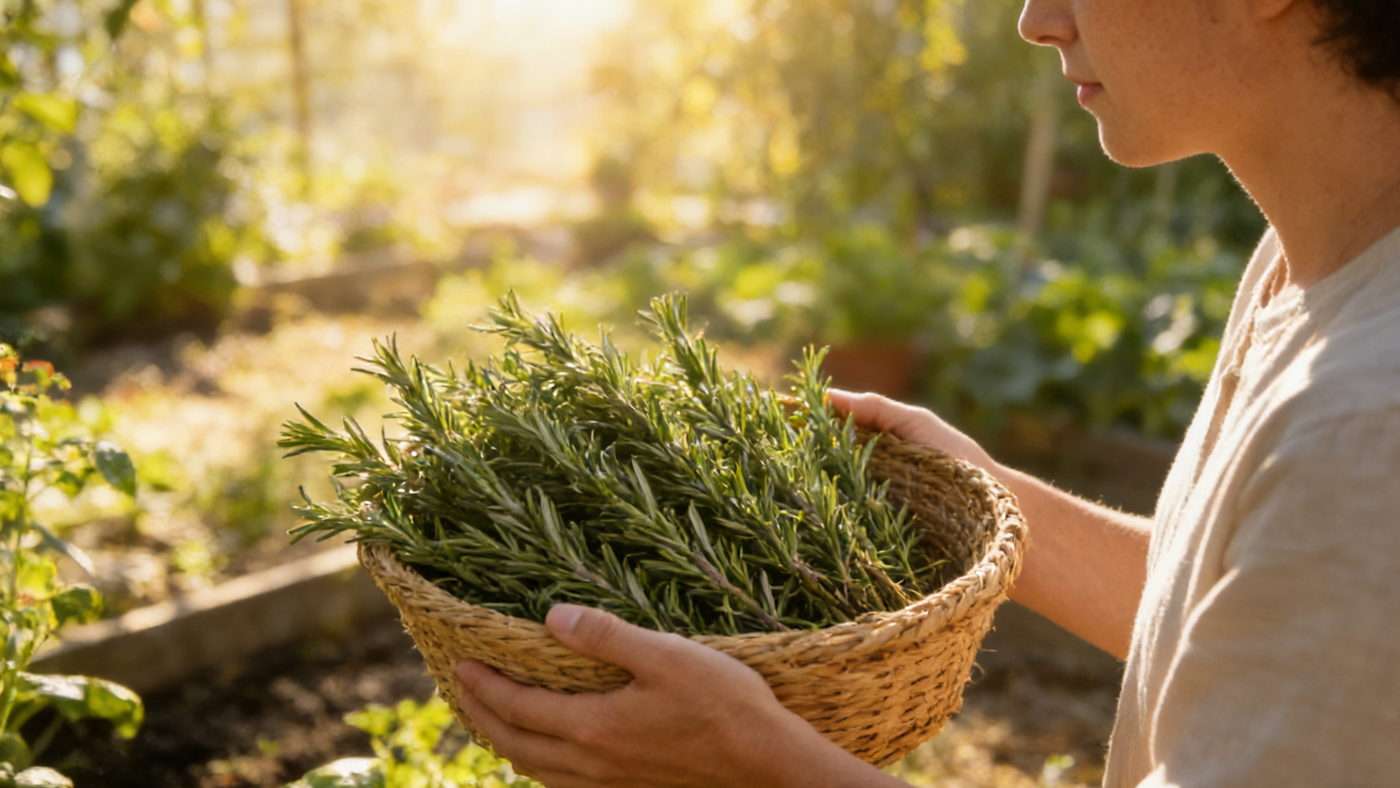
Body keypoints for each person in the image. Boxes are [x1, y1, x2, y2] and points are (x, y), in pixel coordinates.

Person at [452, 0, 1400, 784]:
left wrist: (757, 759)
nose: (1036, 20)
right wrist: (998, 506)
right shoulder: (1308, 261)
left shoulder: (1369, 428)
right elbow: (1245, 610)